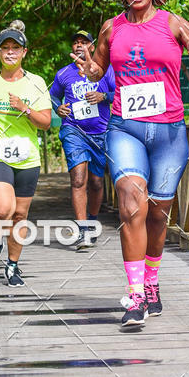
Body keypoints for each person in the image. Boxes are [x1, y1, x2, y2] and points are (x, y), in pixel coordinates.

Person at [71, 0, 189, 327]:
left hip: (169, 132)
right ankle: (135, 295)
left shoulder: (173, 22)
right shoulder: (111, 28)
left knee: (157, 214)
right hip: (125, 128)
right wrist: (88, 66)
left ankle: (153, 282)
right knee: (131, 205)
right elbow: (98, 71)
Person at [0, 20, 52, 286]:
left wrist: (25, 108)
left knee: (20, 215)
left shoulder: (36, 83)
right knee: (3, 209)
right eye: (5, 48)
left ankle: (13, 266)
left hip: (27, 157)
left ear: (24, 52)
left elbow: (46, 122)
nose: (10, 52)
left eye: (15, 47)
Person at [50, 31, 116, 249]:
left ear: (93, 46)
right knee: (79, 180)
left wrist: (103, 97)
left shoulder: (105, 70)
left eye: (84, 42)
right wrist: (57, 107)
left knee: (97, 183)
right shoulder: (63, 74)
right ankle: (82, 229)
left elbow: (122, 93)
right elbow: (52, 95)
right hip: (74, 130)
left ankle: (92, 220)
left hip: (101, 132)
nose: (79, 45)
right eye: (76, 42)